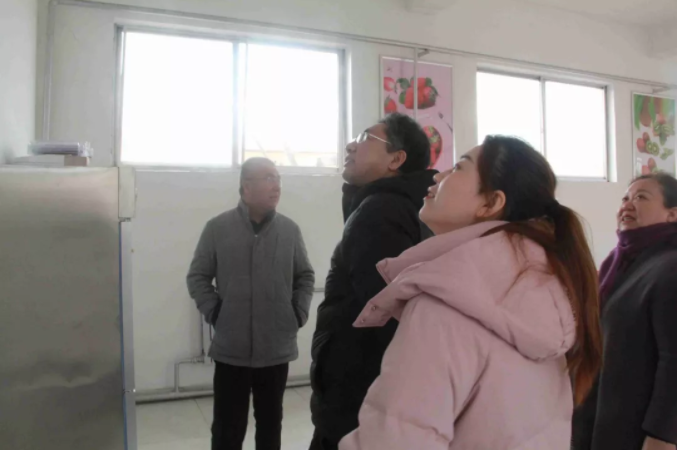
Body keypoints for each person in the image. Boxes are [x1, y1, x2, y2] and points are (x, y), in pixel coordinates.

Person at [339, 136, 603, 449]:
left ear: (490, 203)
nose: (437, 176)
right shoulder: (540, 284)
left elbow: (397, 439)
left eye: (457, 168)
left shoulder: (447, 298)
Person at [309, 113, 438, 449]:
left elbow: (384, 313)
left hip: (356, 395)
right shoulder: (402, 205)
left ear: (396, 159)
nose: (351, 145)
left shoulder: (380, 210)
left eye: (366, 138)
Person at [187, 157, 315, 450]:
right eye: (268, 178)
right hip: (231, 349)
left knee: (270, 424)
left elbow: (305, 276)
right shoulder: (218, 228)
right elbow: (198, 277)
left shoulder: (289, 230)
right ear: (246, 186)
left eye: (278, 178)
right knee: (227, 428)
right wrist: (216, 312)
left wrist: (297, 314)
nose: (277, 186)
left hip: (276, 347)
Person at [572, 173, 677, 450]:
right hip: (597, 412)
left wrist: (663, 437)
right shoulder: (617, 263)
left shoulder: (671, 267)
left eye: (641, 197)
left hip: (636, 429)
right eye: (625, 198)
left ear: (673, 214)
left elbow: (674, 362)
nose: (627, 205)